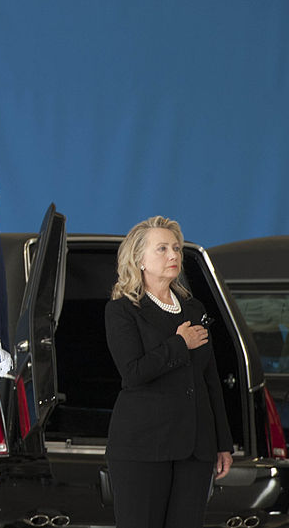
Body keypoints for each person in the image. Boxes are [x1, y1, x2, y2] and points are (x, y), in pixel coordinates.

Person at [104, 215, 234, 528]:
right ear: (139, 260)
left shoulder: (194, 309)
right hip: (143, 447)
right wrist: (179, 344)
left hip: (195, 447)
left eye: (175, 247)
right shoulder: (122, 309)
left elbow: (209, 379)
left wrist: (222, 443)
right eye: (161, 249)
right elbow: (133, 373)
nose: (173, 255)